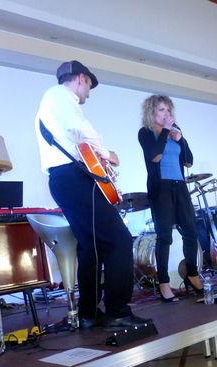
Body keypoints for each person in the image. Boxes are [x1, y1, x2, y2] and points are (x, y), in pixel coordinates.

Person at [35, 60, 149, 330]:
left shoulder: (53, 104)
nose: (88, 93)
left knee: (91, 246)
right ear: (81, 79)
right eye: (89, 86)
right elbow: (80, 127)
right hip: (72, 179)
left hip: (64, 180)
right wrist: (107, 153)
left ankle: (88, 313)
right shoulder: (60, 95)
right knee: (120, 240)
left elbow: (76, 141)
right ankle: (117, 312)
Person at [138, 95, 203, 302]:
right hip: (161, 188)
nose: (166, 114)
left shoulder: (175, 131)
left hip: (180, 186)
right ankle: (164, 282)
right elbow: (155, 156)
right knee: (165, 236)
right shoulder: (146, 133)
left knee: (191, 231)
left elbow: (189, 161)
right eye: (161, 110)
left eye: (168, 110)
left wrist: (180, 139)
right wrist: (166, 131)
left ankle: (192, 274)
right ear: (152, 113)